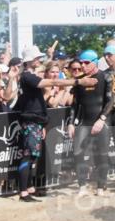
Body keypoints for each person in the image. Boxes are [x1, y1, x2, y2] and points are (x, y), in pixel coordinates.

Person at [13, 46, 94, 202]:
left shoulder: (29, 76)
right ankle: (23, 191)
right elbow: (53, 81)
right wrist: (78, 81)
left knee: (32, 157)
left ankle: (29, 188)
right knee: (28, 156)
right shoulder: (28, 76)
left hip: (36, 121)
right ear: (30, 60)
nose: (39, 60)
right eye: (37, 58)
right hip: (31, 121)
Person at [69, 50, 112, 195]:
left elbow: (111, 101)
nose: (82, 66)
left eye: (86, 63)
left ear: (94, 62)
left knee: (102, 154)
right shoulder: (80, 80)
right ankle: (82, 186)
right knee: (77, 153)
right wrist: (70, 123)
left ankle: (100, 187)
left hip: (101, 120)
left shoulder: (106, 77)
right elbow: (75, 104)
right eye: (81, 63)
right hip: (84, 121)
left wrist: (101, 119)